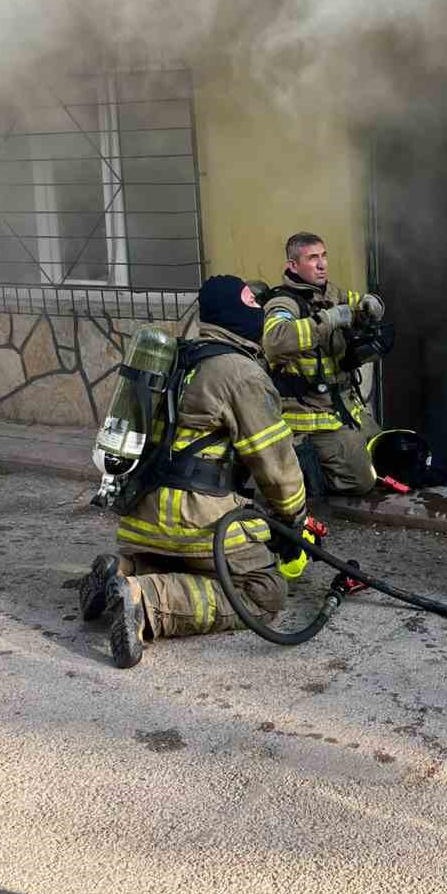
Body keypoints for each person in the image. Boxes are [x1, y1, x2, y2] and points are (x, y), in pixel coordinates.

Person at [78, 274, 308, 667]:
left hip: (141, 516)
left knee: (186, 565)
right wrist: (294, 522)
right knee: (263, 592)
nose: (261, 316)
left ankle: (122, 569)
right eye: (254, 306)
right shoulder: (241, 374)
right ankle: (148, 602)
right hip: (194, 520)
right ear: (235, 314)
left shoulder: (176, 358)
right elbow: (276, 467)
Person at [261, 232, 386, 496]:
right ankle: (305, 472)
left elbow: (358, 303)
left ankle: (334, 458)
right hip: (308, 416)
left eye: (324, 255)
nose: (322, 264)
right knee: (362, 481)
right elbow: (273, 341)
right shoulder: (283, 302)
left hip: (342, 408)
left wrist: (372, 304)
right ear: (293, 265)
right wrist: (325, 321)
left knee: (383, 451)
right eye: (312, 258)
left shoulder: (331, 292)